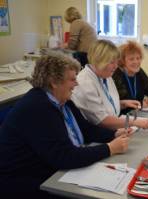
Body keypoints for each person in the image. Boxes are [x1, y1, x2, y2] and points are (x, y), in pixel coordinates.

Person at [0, 53, 131, 198]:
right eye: (72, 79)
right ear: (54, 82)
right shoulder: (37, 108)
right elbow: (64, 156)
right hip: (27, 183)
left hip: (56, 172)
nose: (77, 84)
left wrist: (113, 134)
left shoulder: (63, 100)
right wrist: (109, 148)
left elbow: (86, 129)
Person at [72, 39, 148, 130]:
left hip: (114, 127)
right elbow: (102, 120)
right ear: (99, 60)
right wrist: (135, 122)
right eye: (112, 62)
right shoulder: (85, 83)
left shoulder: (105, 75)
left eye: (116, 61)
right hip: (99, 134)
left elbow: (104, 106)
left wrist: (122, 104)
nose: (116, 66)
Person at [112, 40, 148, 114]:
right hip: (121, 117)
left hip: (137, 114)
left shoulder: (139, 72)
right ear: (122, 61)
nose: (136, 62)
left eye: (138, 58)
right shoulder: (116, 74)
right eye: (131, 59)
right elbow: (127, 104)